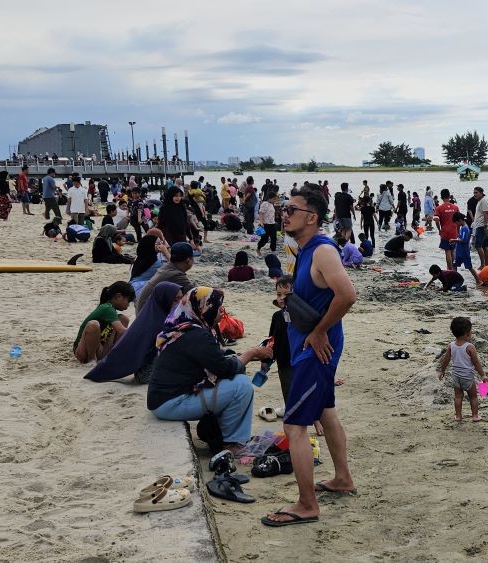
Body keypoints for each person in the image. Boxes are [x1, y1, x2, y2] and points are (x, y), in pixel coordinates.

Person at [262, 188, 357, 527]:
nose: (284, 214)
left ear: (312, 217)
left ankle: (306, 504)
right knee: (326, 412)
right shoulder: (304, 250)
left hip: (315, 350)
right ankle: (343, 478)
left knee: (294, 425)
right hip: (311, 347)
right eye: (284, 208)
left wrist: (318, 332)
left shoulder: (323, 251)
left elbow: (348, 295)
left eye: (292, 209)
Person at [148, 287, 273, 453]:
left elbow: (215, 359)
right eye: (217, 306)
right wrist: (251, 354)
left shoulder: (184, 326)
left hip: (164, 398)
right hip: (171, 403)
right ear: (204, 308)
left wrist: (244, 356)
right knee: (242, 386)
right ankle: (231, 442)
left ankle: (227, 434)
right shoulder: (196, 335)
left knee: (235, 380)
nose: (222, 310)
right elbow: (225, 369)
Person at [85, 281, 182, 383]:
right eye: (176, 299)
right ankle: (92, 359)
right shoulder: (155, 320)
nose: (180, 303)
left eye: (181, 298)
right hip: (148, 373)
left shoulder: (159, 314)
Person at [437, 317, 487, 422]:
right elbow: (476, 363)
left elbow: (446, 360)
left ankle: (458, 416)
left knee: (458, 397)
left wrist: (442, 371)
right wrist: (483, 375)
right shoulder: (470, 347)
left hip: (456, 376)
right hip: (467, 377)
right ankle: (475, 416)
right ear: (467, 333)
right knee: (473, 397)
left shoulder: (451, 345)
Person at [74, 281, 134, 364]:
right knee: (93, 325)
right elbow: (122, 331)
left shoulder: (111, 309)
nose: (128, 305)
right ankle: (91, 360)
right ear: (118, 296)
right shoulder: (107, 308)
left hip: (99, 349)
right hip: (83, 351)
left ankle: (111, 356)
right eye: (128, 300)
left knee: (123, 319)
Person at [135, 242, 196, 312]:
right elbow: (195, 295)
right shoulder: (176, 275)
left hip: (143, 313)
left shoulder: (168, 267)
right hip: (149, 316)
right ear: (188, 260)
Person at [130, 229, 171, 294]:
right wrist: (166, 251)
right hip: (140, 289)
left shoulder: (142, 257)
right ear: (151, 244)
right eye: (158, 243)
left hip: (134, 286)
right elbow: (174, 267)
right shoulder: (156, 263)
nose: (161, 244)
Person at [450, 212, 479, 286]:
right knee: (454, 265)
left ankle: (478, 280)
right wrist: (455, 241)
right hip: (459, 252)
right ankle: (455, 279)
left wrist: (454, 240)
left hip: (464, 252)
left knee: (469, 267)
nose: (456, 224)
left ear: (459, 220)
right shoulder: (462, 228)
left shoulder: (465, 229)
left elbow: (463, 240)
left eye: (456, 222)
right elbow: (460, 238)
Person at [433, 189, 461, 268]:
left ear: (441, 197)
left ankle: (449, 268)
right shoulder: (455, 207)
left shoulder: (439, 208)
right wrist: (458, 231)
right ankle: (454, 268)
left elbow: (436, 220)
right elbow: (459, 220)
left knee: (447, 251)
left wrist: (439, 230)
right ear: (449, 196)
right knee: (453, 251)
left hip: (445, 231)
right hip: (454, 231)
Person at [470, 187, 488, 269]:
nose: (474, 194)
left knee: (478, 246)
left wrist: (485, 226)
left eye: (476, 193)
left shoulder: (483, 201)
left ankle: (483, 265)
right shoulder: (480, 201)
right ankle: (486, 264)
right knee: (485, 246)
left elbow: (486, 214)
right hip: (480, 225)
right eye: (474, 193)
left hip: (482, 226)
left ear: (481, 193)